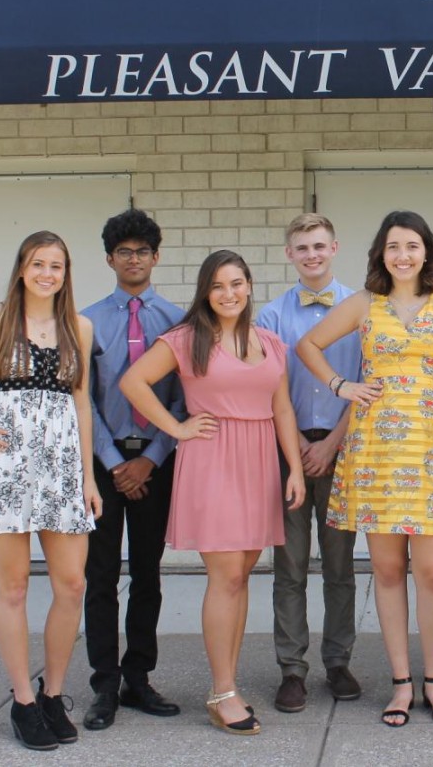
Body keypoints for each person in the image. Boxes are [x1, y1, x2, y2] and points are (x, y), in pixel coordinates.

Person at [296, 210, 433, 728]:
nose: (403, 255)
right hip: (375, 450)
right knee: (390, 571)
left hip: (432, 448)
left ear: (427, 252)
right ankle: (401, 683)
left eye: (412, 246)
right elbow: (308, 345)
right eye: (393, 246)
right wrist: (340, 386)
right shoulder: (363, 304)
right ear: (380, 253)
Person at [120, 249, 305, 736]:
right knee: (225, 576)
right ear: (206, 291)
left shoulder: (269, 340)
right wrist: (176, 428)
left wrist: (295, 470)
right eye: (219, 285)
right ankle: (223, 691)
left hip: (260, 461)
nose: (229, 293)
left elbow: (282, 409)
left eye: (238, 283)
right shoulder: (187, 339)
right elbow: (133, 381)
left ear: (249, 286)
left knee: (242, 575)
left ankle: (227, 682)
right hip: (214, 460)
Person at [0, 231, 101, 751]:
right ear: (21, 268)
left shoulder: (78, 326)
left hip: (61, 471)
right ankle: (22, 701)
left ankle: (53, 694)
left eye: (56, 266)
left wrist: (88, 477)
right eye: (38, 264)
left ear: (66, 273)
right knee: (12, 590)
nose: (47, 274)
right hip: (7, 471)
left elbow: (81, 405)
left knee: (72, 585)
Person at [81, 209, 185, 731]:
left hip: (156, 461)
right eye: (124, 251)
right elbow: (84, 400)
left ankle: (138, 677)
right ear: (110, 259)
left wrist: (150, 459)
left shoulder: (178, 320)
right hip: (104, 464)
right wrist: (116, 463)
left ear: (156, 257)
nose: (134, 259)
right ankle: (104, 685)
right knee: (100, 575)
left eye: (143, 251)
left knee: (148, 573)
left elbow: (185, 401)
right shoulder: (87, 320)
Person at [256, 214, 362, 713]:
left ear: (335, 247)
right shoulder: (271, 317)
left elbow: (369, 380)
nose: (312, 254)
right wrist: (298, 443)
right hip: (289, 450)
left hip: (344, 447)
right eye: (302, 248)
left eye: (320, 246)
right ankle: (292, 669)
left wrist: (332, 443)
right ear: (289, 254)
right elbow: (266, 387)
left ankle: (338, 661)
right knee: (290, 566)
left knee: (340, 566)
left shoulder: (363, 308)